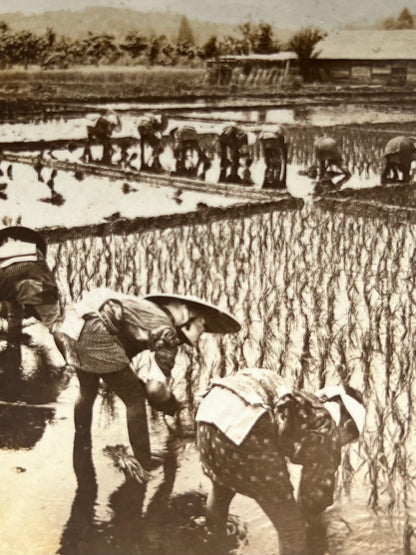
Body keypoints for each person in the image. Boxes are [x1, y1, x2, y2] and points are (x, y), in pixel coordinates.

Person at [60, 288, 240, 481]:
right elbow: (154, 389)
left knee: (87, 391)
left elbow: (122, 363)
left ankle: (82, 440)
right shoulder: (167, 331)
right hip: (95, 333)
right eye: (201, 327)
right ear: (188, 320)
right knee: (134, 400)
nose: (201, 332)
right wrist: (170, 403)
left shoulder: (149, 311)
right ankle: (144, 464)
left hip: (70, 327)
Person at [196, 367, 366, 555]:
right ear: (348, 426)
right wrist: (317, 531)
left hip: (208, 415)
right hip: (245, 428)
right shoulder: (328, 429)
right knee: (291, 531)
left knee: (221, 490)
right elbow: (313, 499)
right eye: (346, 442)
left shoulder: (305, 403)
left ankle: (212, 545)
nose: (339, 446)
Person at [0, 226, 61, 357]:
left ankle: (13, 343)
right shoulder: (35, 249)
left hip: (8, 285)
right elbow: (47, 277)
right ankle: (70, 360)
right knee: (55, 323)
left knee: (13, 303)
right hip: (39, 284)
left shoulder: (2, 250)